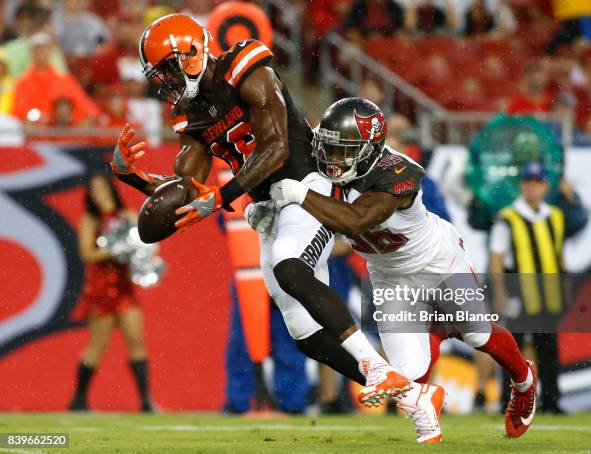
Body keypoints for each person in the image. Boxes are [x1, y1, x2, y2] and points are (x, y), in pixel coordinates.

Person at [111, 13, 430, 412]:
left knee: (289, 267)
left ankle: (377, 369)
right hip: (268, 208)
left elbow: (276, 146)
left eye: (169, 71)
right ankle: (414, 396)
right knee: (304, 332)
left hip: (306, 188)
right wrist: (132, 178)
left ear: (192, 55)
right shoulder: (189, 113)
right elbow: (188, 188)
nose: (168, 84)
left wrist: (222, 195)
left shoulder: (246, 66)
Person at [269, 97, 538, 442]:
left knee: (476, 332)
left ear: (370, 149)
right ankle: (437, 345)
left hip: (437, 262)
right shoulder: (325, 172)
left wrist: (296, 194)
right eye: (330, 150)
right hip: (389, 276)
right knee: (408, 374)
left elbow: (356, 221)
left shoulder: (398, 172)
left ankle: (524, 380)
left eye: (343, 152)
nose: (332, 161)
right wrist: (272, 216)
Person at [69, 173, 152, 412]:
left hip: (125, 288)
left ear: (111, 190)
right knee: (97, 346)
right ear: (90, 195)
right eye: (94, 190)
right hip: (102, 290)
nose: (100, 194)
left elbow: (143, 242)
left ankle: (146, 401)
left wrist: (146, 256)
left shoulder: (126, 215)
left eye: (103, 188)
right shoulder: (90, 220)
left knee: (136, 341)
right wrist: (114, 250)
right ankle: (79, 399)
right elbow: (87, 254)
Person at [489, 161, 565, 413]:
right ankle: (507, 401)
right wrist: (499, 292)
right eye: (529, 182)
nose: (533, 188)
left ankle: (552, 402)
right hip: (519, 291)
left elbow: (557, 254)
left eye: (538, 183)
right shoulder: (508, 218)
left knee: (549, 349)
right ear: (522, 185)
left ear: (545, 186)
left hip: (548, 293)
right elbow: (497, 257)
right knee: (512, 350)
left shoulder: (554, 216)